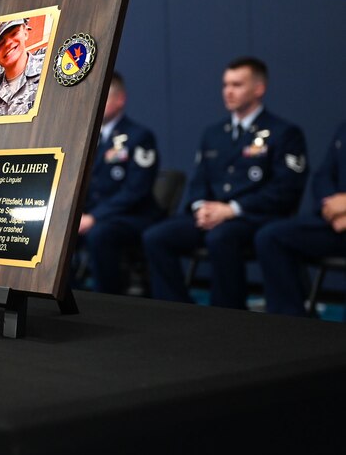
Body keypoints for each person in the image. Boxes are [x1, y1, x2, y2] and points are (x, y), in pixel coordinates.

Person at [142, 57, 308, 309]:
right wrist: (200, 208)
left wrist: (231, 210)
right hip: (212, 215)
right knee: (156, 236)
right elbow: (199, 181)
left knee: (220, 237)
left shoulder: (284, 132)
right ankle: (176, 310)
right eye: (225, 84)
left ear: (258, 89)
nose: (228, 91)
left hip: (254, 217)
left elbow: (285, 189)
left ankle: (228, 313)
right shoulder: (214, 133)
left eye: (237, 84)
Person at [77, 72, 162, 293]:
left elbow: (135, 191)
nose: (95, 101)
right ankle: (69, 297)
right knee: (56, 234)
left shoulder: (139, 136)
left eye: (103, 96)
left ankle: (109, 301)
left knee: (99, 234)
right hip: (93, 215)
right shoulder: (86, 137)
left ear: (120, 99)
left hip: (131, 216)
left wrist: (94, 217)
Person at [255, 120, 346, 315]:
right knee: (271, 237)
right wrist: (329, 207)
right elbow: (323, 176)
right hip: (335, 222)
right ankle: (291, 325)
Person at [0, 18, 44, 117]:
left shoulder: (48, 68)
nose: (8, 43)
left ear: (25, 33)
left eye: (14, 33)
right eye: (1, 42)